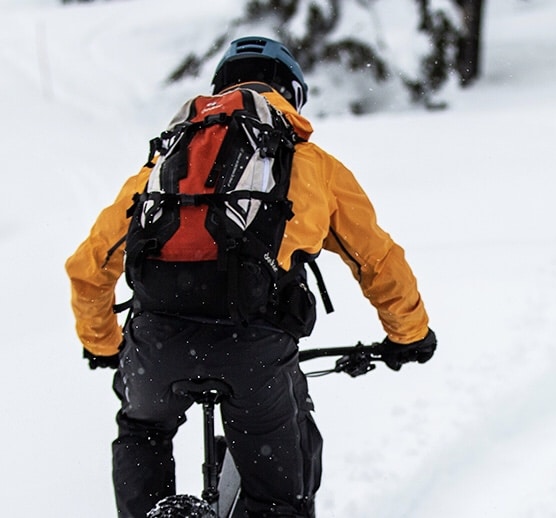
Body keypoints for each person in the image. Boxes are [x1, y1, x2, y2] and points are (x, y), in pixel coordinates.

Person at [65, 36, 436, 518]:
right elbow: (377, 259)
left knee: (143, 428)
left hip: (155, 346)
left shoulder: (164, 167)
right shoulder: (311, 164)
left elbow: (89, 267)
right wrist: (407, 335)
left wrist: (102, 343)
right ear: (291, 96)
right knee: (280, 495)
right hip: (253, 349)